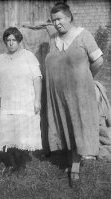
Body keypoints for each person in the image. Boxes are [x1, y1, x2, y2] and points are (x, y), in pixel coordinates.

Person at [45, 2, 103, 188]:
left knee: (79, 125)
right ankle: (71, 160)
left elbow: (98, 61)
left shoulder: (83, 35)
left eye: (59, 19)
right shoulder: (53, 39)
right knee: (65, 125)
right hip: (58, 95)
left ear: (69, 17)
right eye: (53, 20)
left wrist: (86, 78)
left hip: (79, 94)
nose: (56, 23)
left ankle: (75, 168)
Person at [0, 27, 43, 174]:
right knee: (8, 135)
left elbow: (37, 79)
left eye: (14, 40)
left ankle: (21, 165)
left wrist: (37, 100)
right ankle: (11, 163)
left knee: (22, 135)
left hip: (25, 103)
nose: (10, 43)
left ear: (19, 41)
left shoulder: (28, 57)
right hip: (7, 103)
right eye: (8, 40)